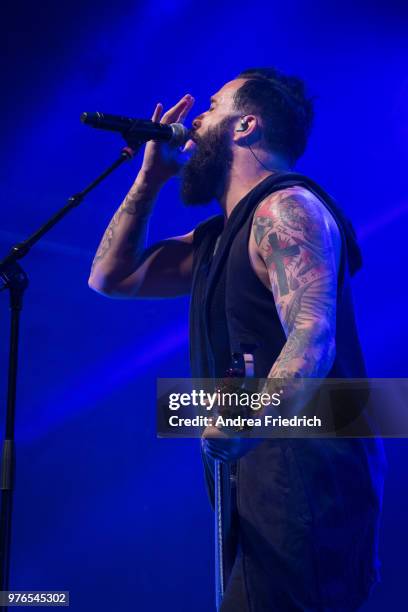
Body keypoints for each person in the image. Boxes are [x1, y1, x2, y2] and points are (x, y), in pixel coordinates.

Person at [88, 68, 386, 611]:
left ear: (246, 125)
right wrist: (149, 180)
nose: (197, 117)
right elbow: (110, 277)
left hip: (308, 479)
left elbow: (311, 334)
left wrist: (248, 419)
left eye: (214, 104)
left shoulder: (286, 208)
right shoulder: (219, 236)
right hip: (256, 476)